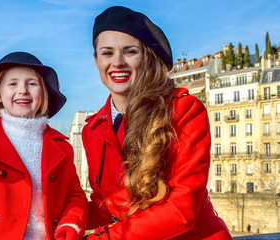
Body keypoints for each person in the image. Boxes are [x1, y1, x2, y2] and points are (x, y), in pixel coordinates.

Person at [82, 6, 233, 239]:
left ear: (147, 57)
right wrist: (64, 220)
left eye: (130, 52)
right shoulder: (92, 129)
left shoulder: (183, 110)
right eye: (107, 53)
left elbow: (181, 211)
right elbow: (109, 206)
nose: (117, 62)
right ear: (96, 60)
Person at [0, 51, 88, 239]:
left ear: (43, 94)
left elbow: (74, 197)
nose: (23, 90)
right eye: (13, 83)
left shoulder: (62, 147)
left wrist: (71, 223)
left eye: (32, 83)